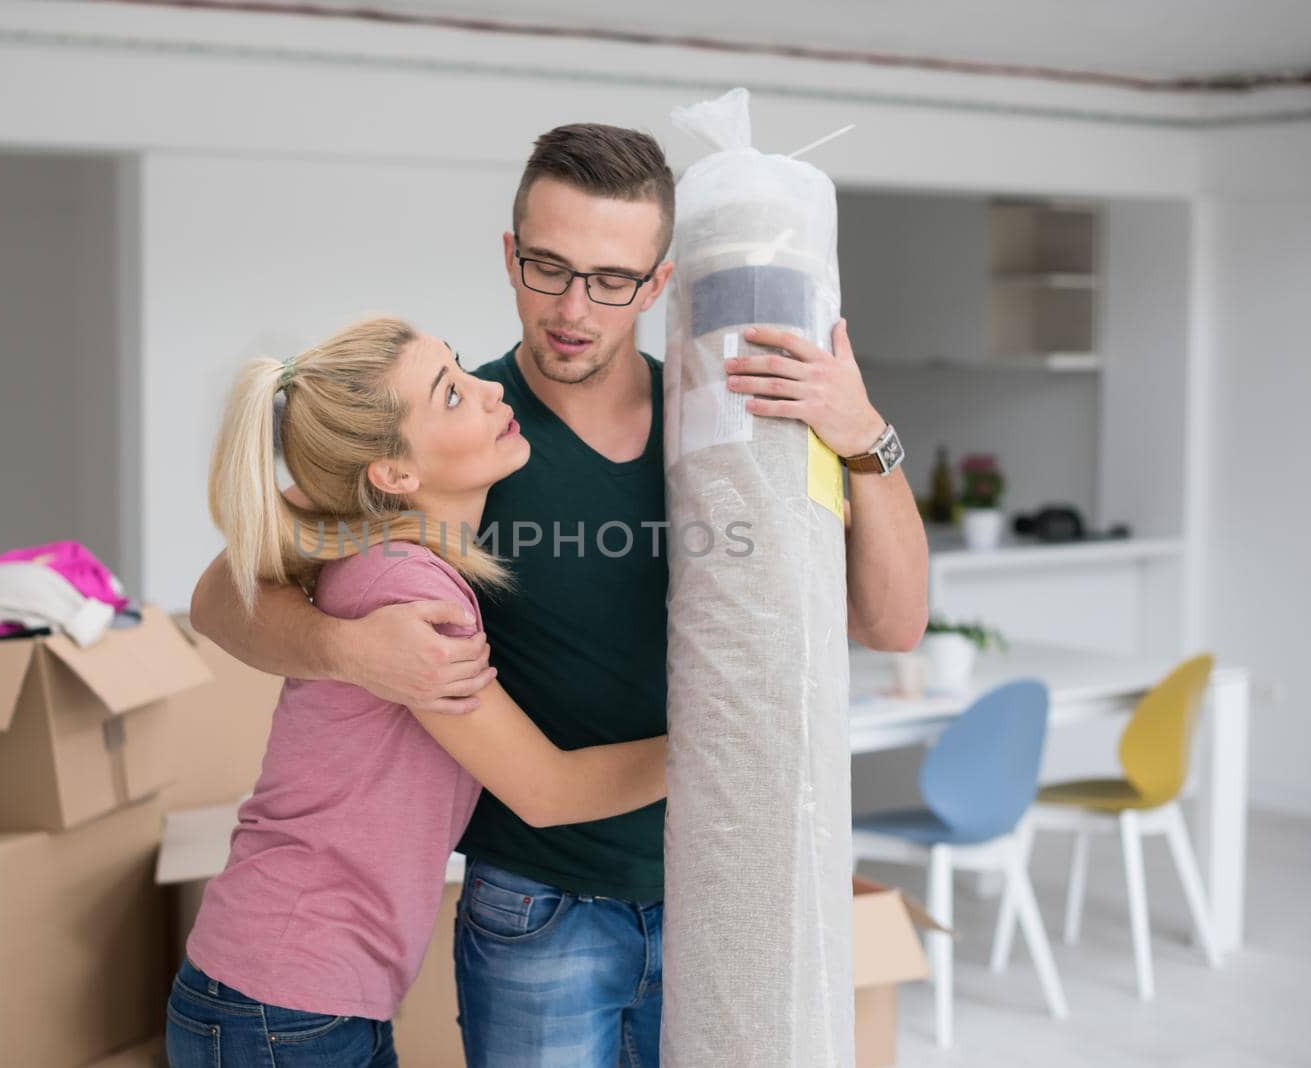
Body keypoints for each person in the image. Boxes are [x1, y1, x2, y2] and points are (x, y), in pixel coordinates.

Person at [190, 124, 929, 1066]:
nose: (574, 308)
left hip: (719, 885)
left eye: (612, 279)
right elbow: (222, 593)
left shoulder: (729, 425)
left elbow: (892, 622)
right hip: (538, 909)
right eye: (549, 267)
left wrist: (866, 435)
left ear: (660, 283)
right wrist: (351, 649)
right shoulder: (459, 440)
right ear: (511, 256)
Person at [167, 317, 669, 1068]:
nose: (493, 389)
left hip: (289, 995)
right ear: (393, 473)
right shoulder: (408, 594)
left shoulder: (382, 551)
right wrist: (721, 741)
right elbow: (547, 790)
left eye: (463, 373)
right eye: (454, 396)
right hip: (283, 1002)